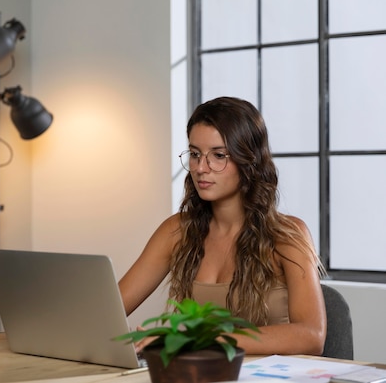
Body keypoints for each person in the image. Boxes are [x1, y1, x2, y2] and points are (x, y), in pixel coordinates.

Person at [118, 96, 326, 356]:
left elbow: (311, 336)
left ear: (248, 160)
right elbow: (108, 310)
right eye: (195, 154)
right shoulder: (176, 232)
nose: (201, 168)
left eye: (218, 156)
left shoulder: (288, 235)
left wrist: (201, 338)